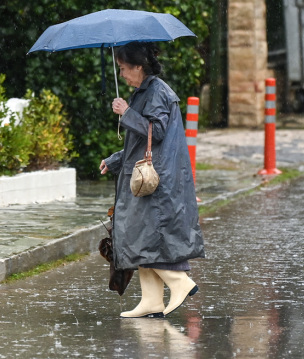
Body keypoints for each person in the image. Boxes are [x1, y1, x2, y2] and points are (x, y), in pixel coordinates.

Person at [99, 42, 205, 318]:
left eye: (124, 69)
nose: (121, 74)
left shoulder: (157, 92)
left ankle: (180, 283)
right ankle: (152, 300)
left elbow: (155, 132)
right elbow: (139, 143)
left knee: (141, 236)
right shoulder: (144, 92)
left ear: (138, 66)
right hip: (150, 175)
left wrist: (126, 113)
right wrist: (113, 160)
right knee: (142, 237)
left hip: (158, 181)